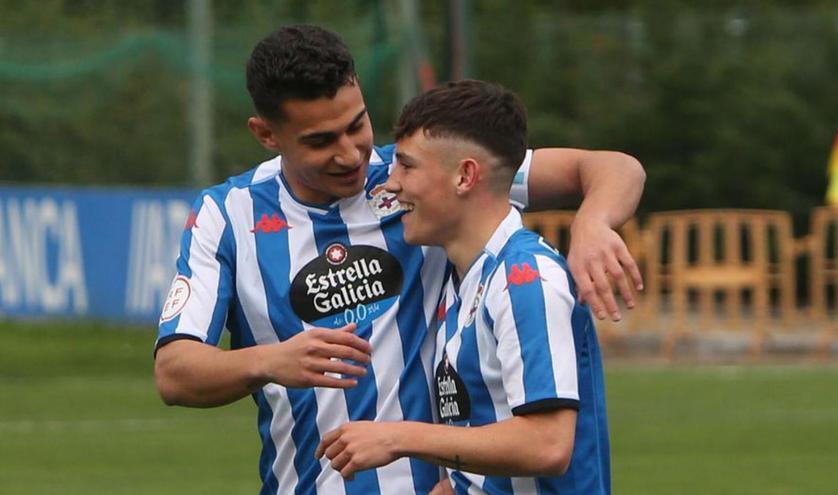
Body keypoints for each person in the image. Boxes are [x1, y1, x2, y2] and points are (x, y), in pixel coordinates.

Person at [154, 25, 640, 495]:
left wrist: (593, 223)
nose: (351, 154)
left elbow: (610, 167)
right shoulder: (227, 214)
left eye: (357, 125)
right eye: (321, 141)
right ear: (267, 134)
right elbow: (175, 371)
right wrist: (270, 360)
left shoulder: (422, 178)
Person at [316, 79, 610, 494]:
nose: (390, 182)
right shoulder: (464, 281)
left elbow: (547, 445)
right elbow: (490, 439)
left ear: (465, 176)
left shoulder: (525, 278)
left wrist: (397, 437)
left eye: (407, 165)